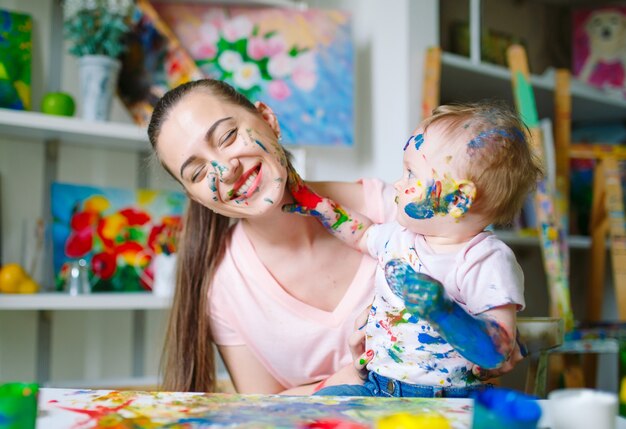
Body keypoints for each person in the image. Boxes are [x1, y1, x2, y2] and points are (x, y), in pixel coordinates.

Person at [147, 79, 526, 394]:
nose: (224, 170)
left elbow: (477, 287)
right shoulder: (224, 288)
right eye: (196, 173)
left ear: (268, 119)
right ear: (194, 196)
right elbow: (263, 408)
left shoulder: (397, 210)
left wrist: (489, 340)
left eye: (228, 136)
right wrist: (346, 381)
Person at [285, 101, 542, 398]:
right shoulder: (399, 237)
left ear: (458, 200)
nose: (397, 183)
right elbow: (362, 233)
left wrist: (441, 310)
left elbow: (498, 350)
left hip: (446, 399)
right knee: (317, 408)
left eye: (410, 174)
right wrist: (318, 206)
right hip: (379, 387)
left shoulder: (485, 260)